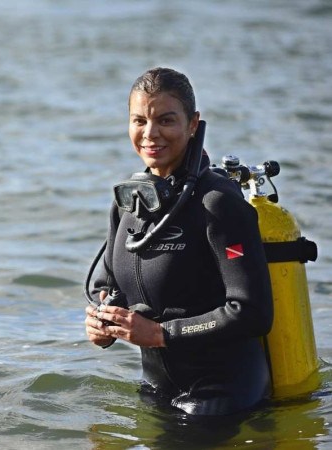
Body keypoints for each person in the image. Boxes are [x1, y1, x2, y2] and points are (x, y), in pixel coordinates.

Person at [84, 67, 274, 415]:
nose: (150, 134)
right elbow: (105, 284)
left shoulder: (217, 202)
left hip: (223, 392)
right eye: (139, 121)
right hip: (158, 388)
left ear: (193, 124)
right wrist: (103, 322)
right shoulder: (129, 200)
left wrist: (161, 334)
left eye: (166, 121)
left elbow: (252, 313)